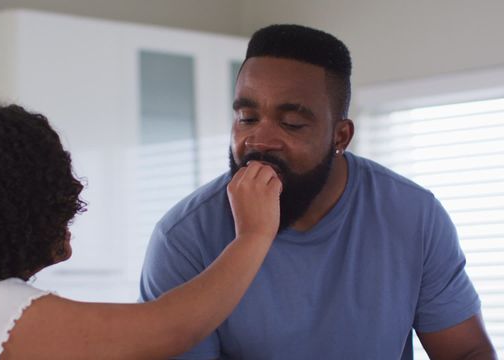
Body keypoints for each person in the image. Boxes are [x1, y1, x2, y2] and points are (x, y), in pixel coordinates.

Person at [139, 24, 496, 359]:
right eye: (246, 118)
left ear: (340, 136)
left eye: (291, 123)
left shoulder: (414, 216)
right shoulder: (184, 239)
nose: (260, 140)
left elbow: (467, 352)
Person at [0, 102, 283, 359]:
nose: (67, 245)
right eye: (58, 213)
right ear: (19, 213)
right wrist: (253, 235)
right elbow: (169, 328)